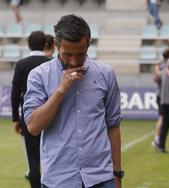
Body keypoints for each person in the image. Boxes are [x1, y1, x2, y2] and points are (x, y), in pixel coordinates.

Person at [23, 15, 123, 188]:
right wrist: (60, 90)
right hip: (58, 179)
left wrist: (117, 174)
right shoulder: (39, 75)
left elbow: (113, 126)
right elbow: (33, 127)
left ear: (88, 45)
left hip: (101, 178)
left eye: (80, 54)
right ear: (56, 45)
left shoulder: (105, 74)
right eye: (67, 54)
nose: (74, 61)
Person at [11, 30, 50, 188]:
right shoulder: (51, 62)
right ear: (45, 44)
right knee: (50, 159)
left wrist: (16, 118)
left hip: (29, 118)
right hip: (50, 117)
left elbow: (15, 92)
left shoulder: (22, 64)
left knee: (33, 161)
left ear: (28, 45)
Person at [152, 48, 169, 146]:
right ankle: (157, 139)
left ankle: (157, 139)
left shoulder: (160, 65)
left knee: (163, 118)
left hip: (161, 94)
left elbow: (155, 78)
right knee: (162, 118)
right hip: (165, 96)